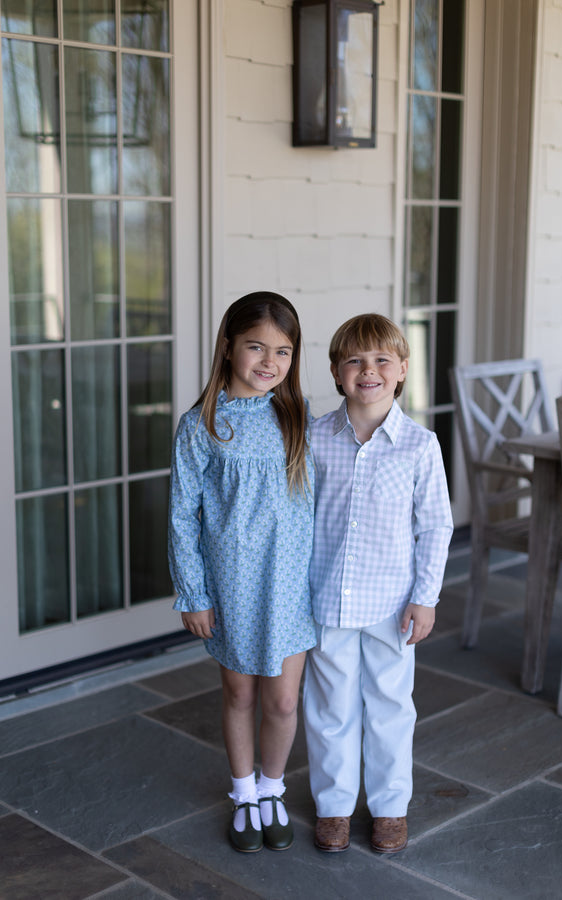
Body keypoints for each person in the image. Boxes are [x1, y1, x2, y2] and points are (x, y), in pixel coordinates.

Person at [168, 291, 315, 854]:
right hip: (232, 585)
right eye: (256, 347)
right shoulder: (202, 425)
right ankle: (244, 794)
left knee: (283, 700)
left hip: (290, 584)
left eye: (283, 351)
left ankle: (272, 788)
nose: (269, 362)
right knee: (240, 694)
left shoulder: (297, 416)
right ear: (228, 346)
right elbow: (183, 515)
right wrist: (193, 593)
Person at [303, 313, 453, 855]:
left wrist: (425, 598)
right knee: (330, 710)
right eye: (355, 361)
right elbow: (300, 518)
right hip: (327, 600)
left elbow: (435, 526)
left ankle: (390, 806)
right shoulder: (316, 438)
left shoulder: (419, 445)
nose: (368, 370)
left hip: (392, 604)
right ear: (336, 372)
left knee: (390, 706)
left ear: (402, 370)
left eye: (381, 360)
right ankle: (334, 807)